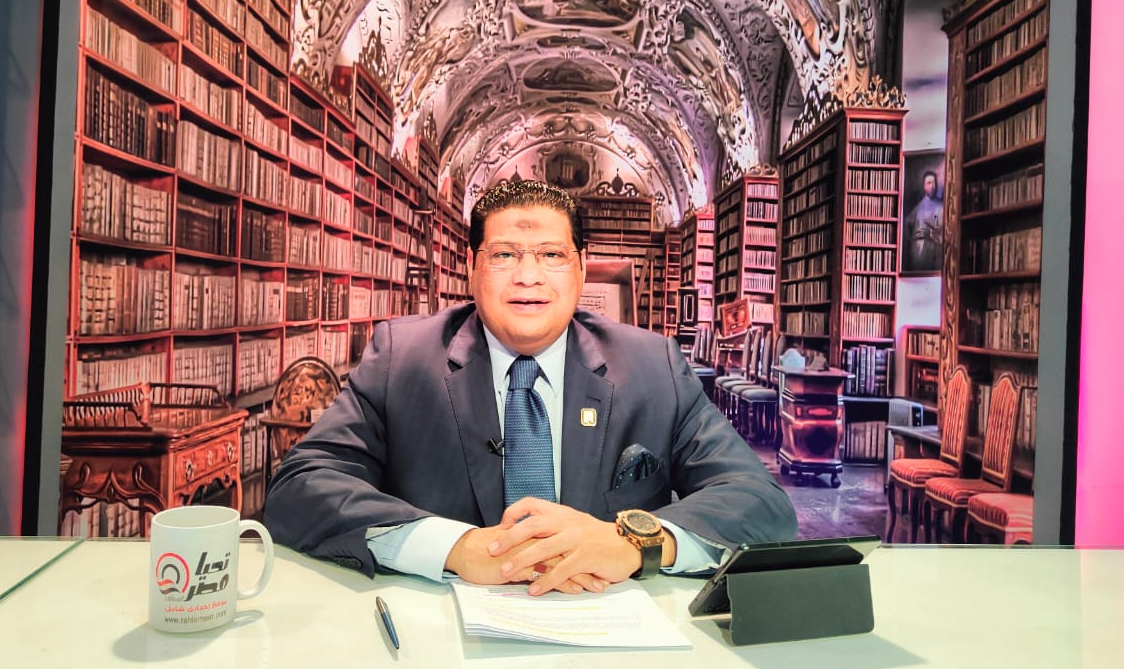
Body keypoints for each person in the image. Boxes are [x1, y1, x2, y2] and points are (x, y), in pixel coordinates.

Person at [263, 180, 796, 595]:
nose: (528, 276)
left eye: (551, 255)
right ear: (472, 267)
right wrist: (454, 547)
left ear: (581, 269)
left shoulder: (653, 367)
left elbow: (760, 503)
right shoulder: (401, 359)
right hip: (441, 644)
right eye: (503, 255)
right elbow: (300, 486)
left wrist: (634, 541)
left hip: (610, 640)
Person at [905, 170, 945, 271]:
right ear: (924, 186)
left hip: (934, 252)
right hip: (917, 253)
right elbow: (907, 224)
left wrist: (930, 233)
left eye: (934, 183)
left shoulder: (942, 206)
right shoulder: (919, 207)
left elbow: (945, 233)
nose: (932, 186)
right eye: (929, 183)